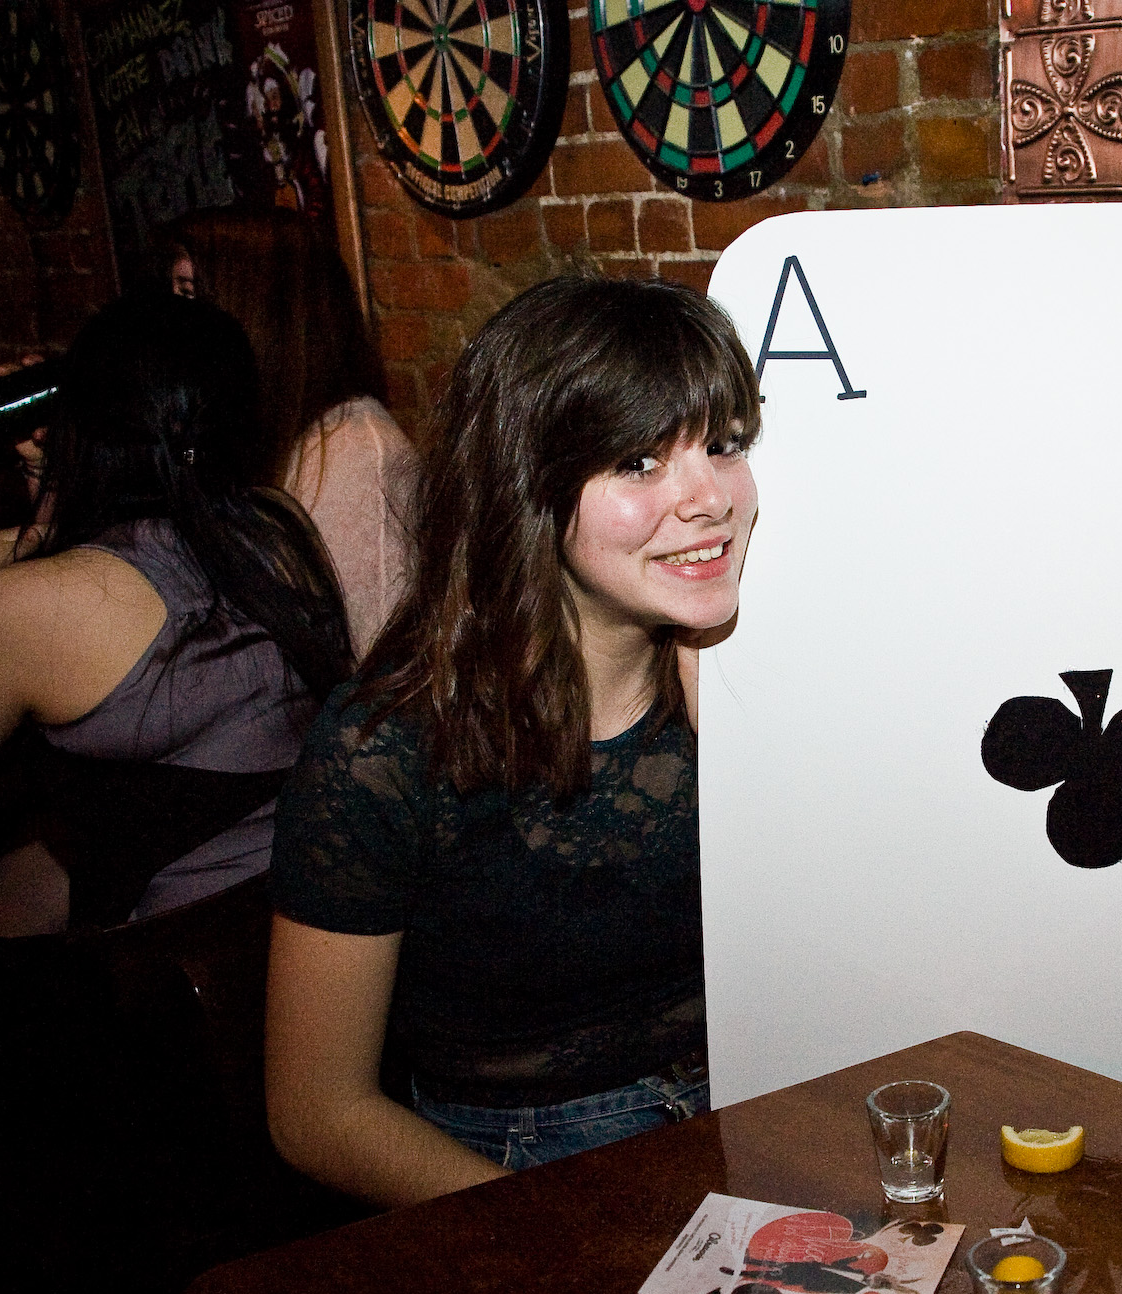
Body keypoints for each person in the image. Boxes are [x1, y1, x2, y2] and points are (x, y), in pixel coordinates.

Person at [265, 275, 759, 1208]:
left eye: (725, 445)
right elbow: (317, 1112)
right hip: (512, 1180)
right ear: (528, 487)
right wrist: (548, 1240)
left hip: (749, 1119)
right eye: (639, 463)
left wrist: (741, 743)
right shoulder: (383, 751)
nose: (710, 498)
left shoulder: (756, 683)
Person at [0, 292, 350, 932]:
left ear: (85, 423)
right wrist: (54, 484)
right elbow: (130, 546)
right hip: (287, 892)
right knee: (16, 881)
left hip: (163, 955)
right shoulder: (277, 524)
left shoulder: (22, 610)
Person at [159, 207, 412, 654]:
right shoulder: (243, 431)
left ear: (257, 309)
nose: (174, 323)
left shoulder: (353, 450)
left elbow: (375, 670)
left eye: (192, 296)